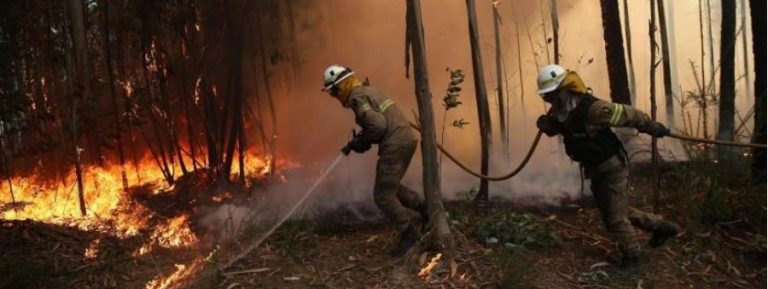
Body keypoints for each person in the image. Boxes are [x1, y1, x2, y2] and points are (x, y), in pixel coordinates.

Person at [534, 64, 681, 267]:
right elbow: (565, 128)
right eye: (545, 97)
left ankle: (632, 257)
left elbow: (629, 114)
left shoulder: (594, 110)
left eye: (550, 96)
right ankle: (661, 226)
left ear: (564, 91)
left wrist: (652, 127)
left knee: (615, 219)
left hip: (613, 167)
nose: (548, 101)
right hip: (595, 169)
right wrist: (549, 126)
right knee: (614, 211)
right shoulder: (565, 112)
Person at [322, 64, 425, 257]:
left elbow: (378, 126)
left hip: (395, 143)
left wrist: (363, 141)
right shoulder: (370, 90)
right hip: (406, 138)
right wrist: (362, 138)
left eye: (333, 92)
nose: (335, 97)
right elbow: (379, 120)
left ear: (341, 86)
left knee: (382, 196)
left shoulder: (356, 97)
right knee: (390, 186)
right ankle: (423, 209)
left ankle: (410, 233)